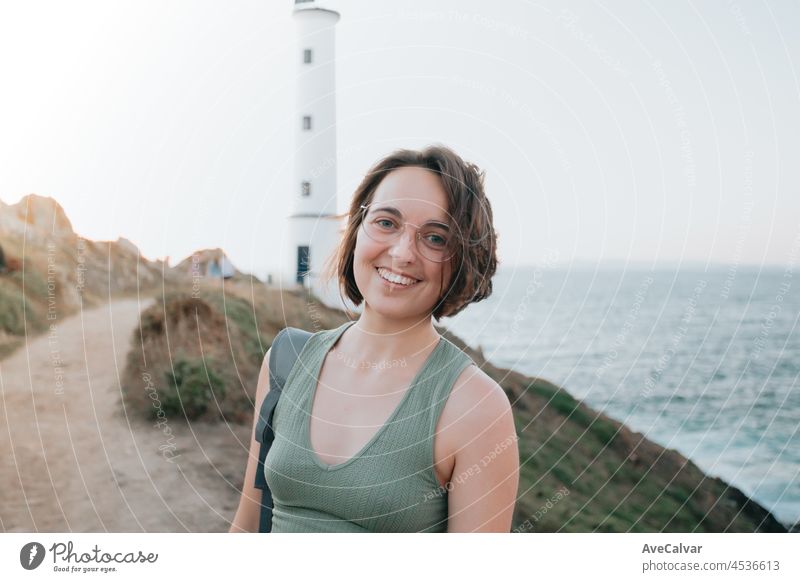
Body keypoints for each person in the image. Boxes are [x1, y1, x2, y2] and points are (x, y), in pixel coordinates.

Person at [230, 145, 519, 532]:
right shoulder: (287, 361)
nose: (402, 253)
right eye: (386, 222)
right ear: (356, 228)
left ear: (463, 260)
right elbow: (247, 528)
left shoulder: (476, 409)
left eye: (435, 238)